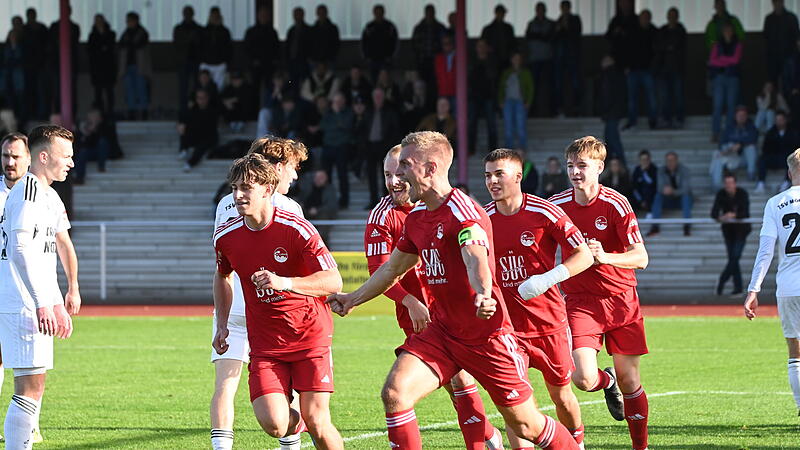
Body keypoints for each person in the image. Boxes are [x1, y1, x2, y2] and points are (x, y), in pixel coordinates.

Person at [328, 131, 581, 449]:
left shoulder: (464, 212)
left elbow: (475, 256)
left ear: (430, 168)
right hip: (442, 332)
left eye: (405, 165)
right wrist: (353, 298)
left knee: (526, 424)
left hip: (486, 336)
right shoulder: (418, 216)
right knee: (395, 393)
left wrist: (483, 292)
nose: (399, 175)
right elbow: (393, 269)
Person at [364, 145, 504, 450]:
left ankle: (487, 436)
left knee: (464, 383)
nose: (394, 181)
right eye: (387, 175)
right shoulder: (382, 216)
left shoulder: (441, 208)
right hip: (418, 317)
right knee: (438, 386)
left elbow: (473, 255)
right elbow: (382, 271)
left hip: (453, 312)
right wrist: (409, 302)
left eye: (398, 172)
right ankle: (488, 434)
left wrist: (482, 292)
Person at [213, 153, 344, 450]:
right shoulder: (226, 236)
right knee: (274, 424)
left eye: (246, 188)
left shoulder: (297, 228)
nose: (238, 195)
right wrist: (222, 325)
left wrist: (285, 282)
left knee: (318, 422)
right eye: (235, 188)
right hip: (266, 345)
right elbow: (222, 276)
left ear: (268, 189)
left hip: (309, 337)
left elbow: (334, 280)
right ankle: (303, 421)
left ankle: (312, 421)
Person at [484, 149, 593, 448]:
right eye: (488, 175)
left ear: (518, 176)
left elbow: (584, 255)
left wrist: (546, 279)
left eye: (499, 174)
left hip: (548, 324)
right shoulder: (482, 219)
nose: (492, 181)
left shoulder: (544, 212)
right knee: (516, 404)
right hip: (506, 328)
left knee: (562, 396)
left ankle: (576, 444)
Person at [549, 136, 650, 450]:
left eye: (582, 165)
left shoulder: (616, 203)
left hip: (621, 300)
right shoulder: (556, 206)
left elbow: (641, 258)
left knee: (631, 381)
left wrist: (605, 256)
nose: (575, 172)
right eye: (570, 166)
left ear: (600, 167)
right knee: (583, 379)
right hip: (580, 302)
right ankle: (608, 381)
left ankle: (640, 446)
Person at [211, 137, 308, 450]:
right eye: (293, 167)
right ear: (276, 168)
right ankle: (292, 444)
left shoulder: (225, 203)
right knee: (285, 386)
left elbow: (221, 265)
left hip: (232, 305)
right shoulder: (288, 207)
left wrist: (222, 320)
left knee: (225, 385)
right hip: (272, 309)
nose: (295, 175)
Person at [0, 125, 80, 449]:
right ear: (44, 157)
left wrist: (57, 301)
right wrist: (41, 303)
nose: (71, 162)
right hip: (22, 304)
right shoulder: (28, 191)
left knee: (34, 386)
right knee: (28, 389)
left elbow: (47, 253)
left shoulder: (47, 194)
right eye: (66, 156)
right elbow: (19, 250)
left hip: (30, 302)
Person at [744, 148, 800, 415]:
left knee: (795, 353)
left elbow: (765, 251)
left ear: (789, 172)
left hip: (788, 287)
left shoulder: (775, 203)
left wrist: (753, 289)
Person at [711, 174, 751, 296]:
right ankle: (737, 288)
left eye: (730, 183)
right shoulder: (721, 194)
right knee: (733, 259)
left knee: (735, 257)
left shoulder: (742, 193)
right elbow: (714, 213)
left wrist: (733, 215)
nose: (728, 186)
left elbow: (745, 213)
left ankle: (722, 280)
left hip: (741, 231)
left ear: (735, 184)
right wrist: (722, 217)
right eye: (726, 183)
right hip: (728, 231)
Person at [362, 89, 400, 208]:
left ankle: (387, 200)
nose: (378, 99)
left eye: (380, 96)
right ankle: (373, 200)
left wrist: (390, 146)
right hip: (370, 146)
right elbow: (362, 129)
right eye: (376, 96)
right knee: (371, 175)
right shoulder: (368, 111)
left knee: (386, 174)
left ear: (383, 97)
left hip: (385, 147)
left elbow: (395, 130)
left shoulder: (390, 111)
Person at [623, 9, 658, 131]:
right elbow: (627, 49)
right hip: (633, 69)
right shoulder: (633, 31)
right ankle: (632, 121)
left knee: (651, 97)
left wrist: (654, 67)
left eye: (646, 18)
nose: (644, 20)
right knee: (632, 98)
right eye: (642, 17)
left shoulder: (654, 31)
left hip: (648, 70)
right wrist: (626, 66)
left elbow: (657, 51)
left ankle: (653, 121)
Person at [708, 23, 743, 142]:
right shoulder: (717, 45)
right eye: (725, 30)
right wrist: (728, 61)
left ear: (733, 32)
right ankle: (715, 132)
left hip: (733, 78)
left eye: (730, 30)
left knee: (731, 106)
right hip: (719, 77)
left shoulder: (737, 44)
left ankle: (728, 132)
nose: (728, 32)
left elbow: (736, 60)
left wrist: (721, 59)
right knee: (717, 105)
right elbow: (712, 61)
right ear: (722, 32)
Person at [711, 105, 758, 191]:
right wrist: (730, 148)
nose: (741, 117)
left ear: (746, 116)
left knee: (751, 148)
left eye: (743, 115)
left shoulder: (751, 127)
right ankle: (716, 186)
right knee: (717, 155)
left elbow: (753, 138)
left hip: (744, 158)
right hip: (731, 156)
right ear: (735, 116)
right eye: (739, 115)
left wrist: (740, 144)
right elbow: (722, 143)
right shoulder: (729, 128)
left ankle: (751, 173)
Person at [320, 93, 354, 208]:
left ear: (344, 102)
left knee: (342, 175)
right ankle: (328, 200)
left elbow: (347, 126)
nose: (337, 104)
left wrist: (338, 115)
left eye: (339, 101)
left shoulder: (348, 112)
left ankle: (344, 201)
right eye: (335, 101)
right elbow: (323, 126)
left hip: (341, 146)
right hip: (328, 146)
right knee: (326, 176)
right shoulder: (328, 113)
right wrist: (337, 125)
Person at [655, 7, 687, 129]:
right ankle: (666, 119)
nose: (672, 18)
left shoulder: (681, 30)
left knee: (678, 95)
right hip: (663, 69)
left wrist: (668, 47)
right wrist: (668, 47)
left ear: (677, 17)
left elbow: (680, 47)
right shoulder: (662, 30)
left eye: (674, 15)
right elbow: (659, 46)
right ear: (667, 17)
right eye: (670, 15)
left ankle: (679, 118)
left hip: (677, 68)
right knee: (664, 96)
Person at [648, 151, 693, 236]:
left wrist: (673, 191)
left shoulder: (685, 170)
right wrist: (665, 190)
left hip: (681, 200)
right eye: (668, 160)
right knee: (658, 196)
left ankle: (687, 226)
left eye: (672, 160)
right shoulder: (661, 171)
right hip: (667, 199)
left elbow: (686, 189)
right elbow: (659, 187)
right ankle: (655, 226)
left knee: (686, 197)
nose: (670, 163)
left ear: (676, 160)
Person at [118, 12, 151, 120]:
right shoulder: (125, 34)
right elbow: (121, 46)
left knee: (141, 89)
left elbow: (140, 46)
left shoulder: (142, 33)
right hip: (127, 66)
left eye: (130, 21)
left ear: (135, 21)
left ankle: (143, 111)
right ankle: (131, 111)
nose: (128, 23)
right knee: (129, 89)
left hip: (140, 66)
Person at [468, 39, 498, 154]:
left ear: (487, 48)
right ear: (476, 48)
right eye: (479, 46)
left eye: (483, 46)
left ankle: (493, 149)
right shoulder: (471, 61)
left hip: (488, 96)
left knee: (491, 124)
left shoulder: (492, 61)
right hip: (474, 96)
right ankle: (470, 148)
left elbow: (493, 76)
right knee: (472, 123)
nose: (481, 48)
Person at [498, 52, 534, 152]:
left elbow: (530, 88)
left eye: (518, 58)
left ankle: (522, 149)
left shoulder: (525, 72)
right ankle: (508, 150)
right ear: (511, 60)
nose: (516, 60)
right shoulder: (506, 72)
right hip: (508, 101)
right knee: (508, 127)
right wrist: (501, 100)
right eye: (514, 58)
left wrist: (528, 101)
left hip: (520, 101)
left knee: (520, 126)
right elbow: (501, 87)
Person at [525, 2, 556, 116]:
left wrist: (537, 35)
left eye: (542, 9)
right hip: (534, 59)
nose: (540, 12)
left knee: (550, 85)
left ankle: (552, 110)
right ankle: (532, 111)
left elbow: (550, 37)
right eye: (538, 9)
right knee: (533, 86)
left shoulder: (550, 23)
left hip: (547, 58)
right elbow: (528, 37)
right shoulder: (531, 23)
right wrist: (542, 36)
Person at [244, 5, 280, 102]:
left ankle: (269, 107)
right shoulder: (251, 32)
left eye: (265, 15)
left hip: (269, 65)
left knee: (270, 88)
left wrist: (275, 62)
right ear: (258, 16)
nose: (263, 17)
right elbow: (247, 49)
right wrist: (252, 61)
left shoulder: (272, 32)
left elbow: (277, 49)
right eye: (261, 15)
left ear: (268, 17)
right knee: (254, 89)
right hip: (255, 65)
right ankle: (254, 110)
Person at [553, 0, 582, 116]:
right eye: (563, 8)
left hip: (573, 55)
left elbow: (577, 34)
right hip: (560, 56)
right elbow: (553, 38)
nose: (564, 10)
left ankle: (577, 107)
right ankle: (559, 108)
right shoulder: (558, 21)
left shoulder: (575, 19)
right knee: (558, 82)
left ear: (569, 8)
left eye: (566, 8)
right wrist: (559, 29)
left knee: (575, 82)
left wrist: (567, 27)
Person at [411, 4, 447, 100]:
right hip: (422, 61)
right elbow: (414, 45)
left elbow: (444, 44)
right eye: (428, 13)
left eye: (431, 13)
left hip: (437, 61)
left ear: (434, 13)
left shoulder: (440, 28)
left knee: (435, 85)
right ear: (425, 13)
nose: (430, 15)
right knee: (422, 85)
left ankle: (434, 104)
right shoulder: (419, 28)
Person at [179, 89, 219, 171]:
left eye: (203, 98)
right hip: (196, 135)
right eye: (198, 98)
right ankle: (184, 149)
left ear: (207, 98)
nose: (201, 100)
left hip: (209, 137)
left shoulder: (212, 110)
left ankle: (190, 163)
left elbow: (210, 129)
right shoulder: (194, 109)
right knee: (184, 128)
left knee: (201, 147)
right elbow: (185, 120)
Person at [173, 6, 203, 116]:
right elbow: (177, 44)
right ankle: (183, 112)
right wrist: (189, 38)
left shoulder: (199, 29)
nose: (187, 15)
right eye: (186, 13)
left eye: (189, 13)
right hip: (183, 62)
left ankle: (197, 110)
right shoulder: (179, 29)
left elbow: (201, 44)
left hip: (196, 61)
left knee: (197, 87)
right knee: (183, 88)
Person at [757, 110, 797, 193]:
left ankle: (786, 182)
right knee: (762, 160)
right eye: (777, 120)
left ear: (785, 120)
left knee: (793, 159)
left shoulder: (793, 132)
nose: (779, 122)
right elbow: (765, 148)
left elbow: (795, 147)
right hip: (774, 158)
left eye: (781, 120)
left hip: (787, 158)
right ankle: (761, 183)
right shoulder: (771, 132)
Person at [597, 55, 627, 163]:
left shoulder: (608, 76)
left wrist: (604, 110)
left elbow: (607, 95)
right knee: (609, 139)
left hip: (612, 112)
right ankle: (612, 163)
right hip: (614, 112)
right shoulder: (616, 75)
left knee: (612, 139)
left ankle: (621, 163)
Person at [74, 108, 114, 184]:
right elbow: (81, 144)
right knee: (82, 152)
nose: (92, 119)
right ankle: (79, 177)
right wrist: (86, 134)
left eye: (95, 117)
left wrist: (94, 130)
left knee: (103, 142)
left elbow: (108, 140)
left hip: (103, 152)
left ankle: (101, 166)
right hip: (90, 152)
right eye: (91, 117)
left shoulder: (105, 126)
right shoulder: (84, 127)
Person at [22, 8, 49, 120]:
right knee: (29, 91)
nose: (31, 17)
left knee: (41, 91)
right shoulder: (23, 29)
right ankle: (30, 114)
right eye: (29, 15)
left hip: (40, 64)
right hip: (27, 66)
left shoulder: (42, 28)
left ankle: (41, 114)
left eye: (32, 15)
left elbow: (47, 45)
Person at [87, 14, 117, 115]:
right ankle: (100, 113)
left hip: (108, 67)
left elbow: (110, 48)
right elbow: (91, 50)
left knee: (109, 91)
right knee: (98, 92)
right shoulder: (92, 35)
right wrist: (102, 49)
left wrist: (100, 49)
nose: (98, 22)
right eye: (96, 20)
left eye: (100, 20)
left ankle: (110, 113)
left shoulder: (111, 34)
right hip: (97, 67)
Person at [765, 0, 800, 85]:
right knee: (773, 83)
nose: (777, 4)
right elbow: (766, 38)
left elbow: (797, 37)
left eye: (779, 2)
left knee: (789, 83)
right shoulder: (769, 19)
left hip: (789, 56)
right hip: (773, 57)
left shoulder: (791, 18)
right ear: (772, 3)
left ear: (783, 2)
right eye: (775, 2)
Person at [361, 5, 399, 80]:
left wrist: (391, 56)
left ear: (384, 13)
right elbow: (363, 42)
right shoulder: (369, 27)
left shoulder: (390, 26)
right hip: (372, 59)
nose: (378, 15)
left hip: (386, 59)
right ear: (374, 13)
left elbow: (395, 42)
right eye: (377, 13)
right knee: (374, 79)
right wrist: (366, 56)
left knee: (386, 80)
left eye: (380, 13)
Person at [199, 7, 232, 92]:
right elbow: (199, 46)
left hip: (220, 64)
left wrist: (227, 62)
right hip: (206, 63)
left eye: (216, 16)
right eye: (212, 16)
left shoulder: (225, 31)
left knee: (219, 88)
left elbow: (229, 48)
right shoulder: (204, 31)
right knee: (205, 87)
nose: (214, 18)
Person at [301, 170, 337, 243]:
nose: (318, 180)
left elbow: (331, 206)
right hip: (306, 211)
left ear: (326, 179)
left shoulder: (330, 190)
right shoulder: (308, 187)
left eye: (321, 178)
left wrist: (317, 210)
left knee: (324, 216)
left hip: (321, 213)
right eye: (316, 177)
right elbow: (301, 198)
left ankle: (320, 242)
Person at [480, 4, 517, 72]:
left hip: (506, 58)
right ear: (496, 13)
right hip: (492, 60)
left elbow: (513, 43)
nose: (501, 15)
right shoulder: (488, 29)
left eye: (502, 13)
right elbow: (482, 45)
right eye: (500, 13)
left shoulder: (508, 28)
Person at [3, 30, 26, 125]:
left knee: (20, 98)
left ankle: (21, 121)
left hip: (19, 78)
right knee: (10, 98)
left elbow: (21, 59)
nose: (13, 38)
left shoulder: (22, 47)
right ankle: (13, 119)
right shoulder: (5, 48)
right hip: (8, 77)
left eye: (15, 36)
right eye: (11, 36)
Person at [285, 7, 313, 86]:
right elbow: (288, 46)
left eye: (299, 15)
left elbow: (311, 46)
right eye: (295, 15)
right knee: (292, 82)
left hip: (304, 61)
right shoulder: (291, 30)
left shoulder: (308, 30)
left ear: (303, 16)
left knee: (305, 82)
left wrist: (309, 57)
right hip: (292, 61)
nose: (297, 17)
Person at [631, 150, 657, 217]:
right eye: (643, 160)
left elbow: (653, 183)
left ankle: (650, 213)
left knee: (650, 190)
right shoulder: (637, 170)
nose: (644, 162)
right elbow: (634, 186)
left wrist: (645, 172)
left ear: (649, 160)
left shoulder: (654, 169)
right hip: (640, 196)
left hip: (651, 195)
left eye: (646, 160)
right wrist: (641, 200)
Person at [433, 35, 457, 106]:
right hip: (443, 92)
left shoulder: (459, 56)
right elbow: (439, 75)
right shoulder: (438, 58)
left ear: (453, 44)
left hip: (456, 93)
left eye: (449, 43)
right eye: (444, 44)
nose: (447, 46)